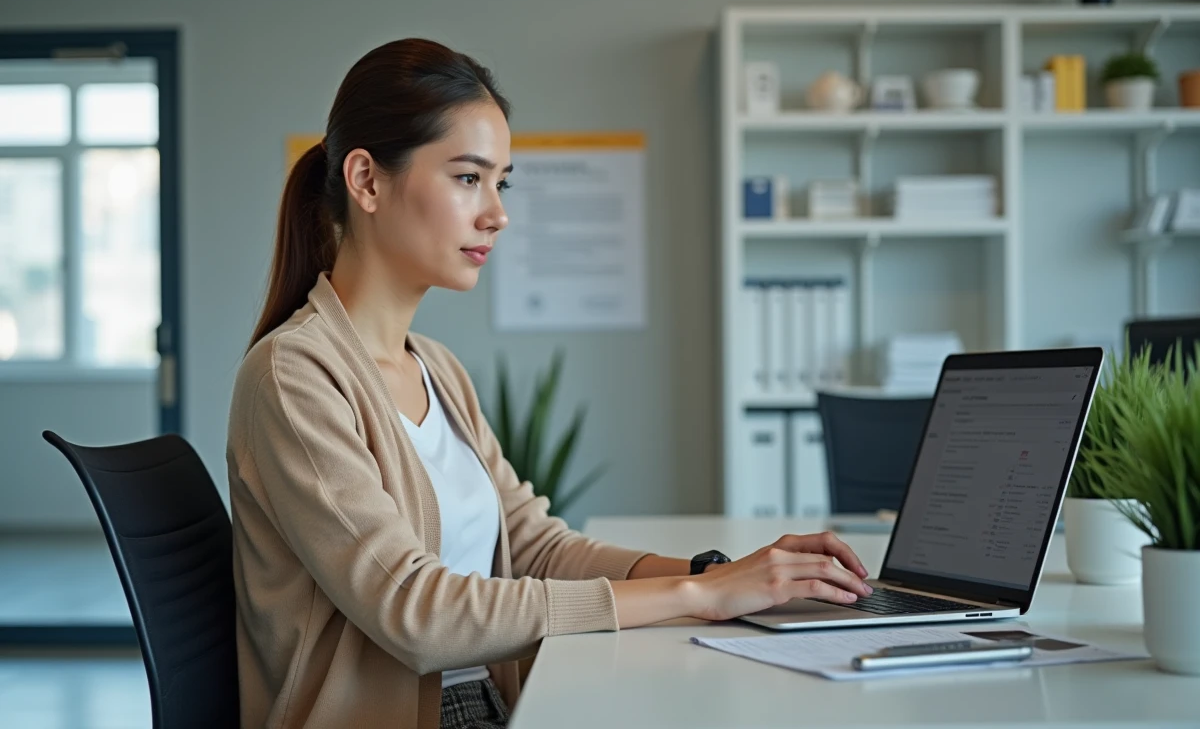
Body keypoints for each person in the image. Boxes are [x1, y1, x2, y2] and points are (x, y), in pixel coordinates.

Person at [226, 38, 873, 729]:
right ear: (367, 181)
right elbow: (416, 614)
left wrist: (724, 574)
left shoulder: (436, 368)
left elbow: (536, 546)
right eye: (467, 178)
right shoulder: (294, 378)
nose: (497, 213)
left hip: (488, 703)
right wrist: (698, 594)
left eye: (500, 183)